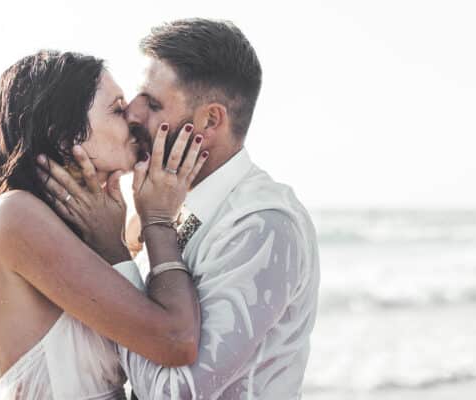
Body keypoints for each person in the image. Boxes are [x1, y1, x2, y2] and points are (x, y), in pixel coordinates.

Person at [43, 19, 320, 399]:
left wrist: (114, 252)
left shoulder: (261, 224)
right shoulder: (165, 209)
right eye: (138, 98)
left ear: (210, 120)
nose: (134, 115)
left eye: (154, 104)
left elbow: (175, 393)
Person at [0, 50, 208, 399]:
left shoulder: (105, 228)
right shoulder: (13, 216)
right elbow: (176, 341)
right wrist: (154, 223)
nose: (134, 119)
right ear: (65, 134)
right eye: (118, 109)